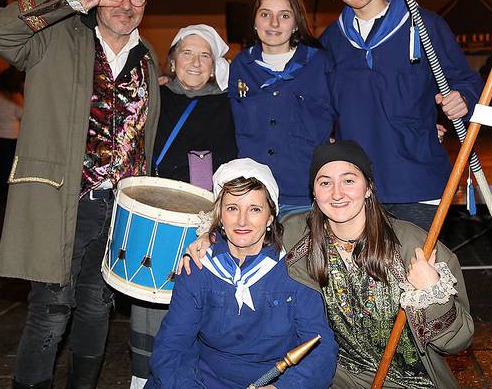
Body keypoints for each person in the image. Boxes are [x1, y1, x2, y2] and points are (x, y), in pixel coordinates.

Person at [0, 0, 160, 389]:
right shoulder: (55, 37)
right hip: (63, 200)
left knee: (98, 306)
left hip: (120, 208)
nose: (125, 3)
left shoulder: (149, 58)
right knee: (51, 310)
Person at [183, 141, 473, 388]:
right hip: (337, 379)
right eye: (325, 182)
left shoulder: (413, 245)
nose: (337, 193)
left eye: (349, 180)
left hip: (410, 381)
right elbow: (249, 229)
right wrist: (209, 240)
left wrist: (431, 292)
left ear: (368, 188)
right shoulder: (297, 235)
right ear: (314, 193)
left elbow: (458, 341)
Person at [319, 0, 484, 229]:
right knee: (367, 276)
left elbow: (468, 82)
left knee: (419, 273)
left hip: (417, 182)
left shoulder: (423, 25)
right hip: (356, 192)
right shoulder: (330, 42)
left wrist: (463, 98)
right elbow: (320, 109)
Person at [148, 158, 337, 389]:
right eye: (232, 208)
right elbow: (172, 346)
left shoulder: (294, 270)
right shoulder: (198, 268)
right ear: (220, 215)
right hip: (202, 381)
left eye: (254, 209)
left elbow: (322, 348)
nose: (242, 221)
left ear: (270, 217)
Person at [130, 24, 238, 387]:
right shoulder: (154, 96)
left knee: (196, 297)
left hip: (202, 214)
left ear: (214, 64)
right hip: (154, 209)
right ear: (172, 61)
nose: (195, 62)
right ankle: (142, 375)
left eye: (204, 54)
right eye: (187, 53)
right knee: (149, 295)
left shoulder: (226, 105)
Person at [228, 0, 335, 217]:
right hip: (253, 195)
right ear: (254, 22)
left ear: (296, 23)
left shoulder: (320, 64)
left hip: (304, 197)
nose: (274, 24)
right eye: (265, 14)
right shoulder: (239, 67)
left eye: (284, 15)